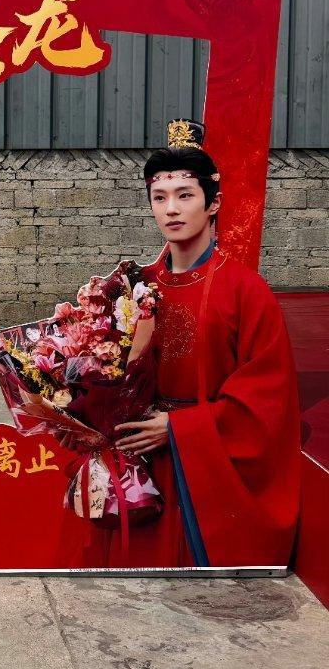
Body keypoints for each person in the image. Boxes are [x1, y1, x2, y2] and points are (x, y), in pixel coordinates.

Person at [63, 118, 301, 568]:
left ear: (214, 204)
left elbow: (267, 402)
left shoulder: (246, 292)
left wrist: (179, 428)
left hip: (202, 464)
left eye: (185, 195)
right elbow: (103, 367)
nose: (171, 209)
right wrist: (83, 411)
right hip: (136, 462)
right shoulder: (132, 289)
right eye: (160, 197)